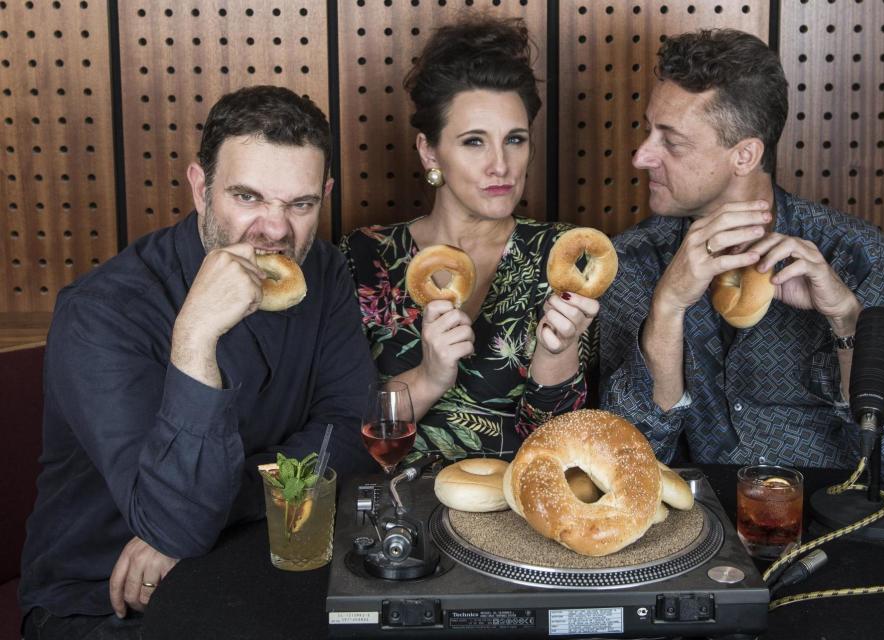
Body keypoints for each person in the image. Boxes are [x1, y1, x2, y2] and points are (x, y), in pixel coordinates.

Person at [19, 86, 377, 639]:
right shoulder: (103, 312)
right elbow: (176, 522)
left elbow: (349, 440)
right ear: (200, 189)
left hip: (250, 560)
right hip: (107, 603)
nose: (276, 229)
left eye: (300, 204)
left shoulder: (323, 271)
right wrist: (193, 338)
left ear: (325, 194)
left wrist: (214, 509)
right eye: (248, 197)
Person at [599, 29, 884, 482]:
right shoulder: (632, 260)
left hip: (830, 519)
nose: (640, 156)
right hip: (701, 529)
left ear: (745, 155)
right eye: (648, 131)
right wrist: (668, 307)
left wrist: (846, 319)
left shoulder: (853, 252)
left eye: (670, 142)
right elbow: (625, 463)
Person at [340, 17, 597, 461]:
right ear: (429, 150)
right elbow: (346, 441)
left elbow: (561, 449)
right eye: (474, 142)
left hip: (515, 516)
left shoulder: (566, 255)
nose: (501, 165)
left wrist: (560, 351)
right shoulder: (361, 257)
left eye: (514, 139)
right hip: (397, 511)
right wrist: (431, 375)